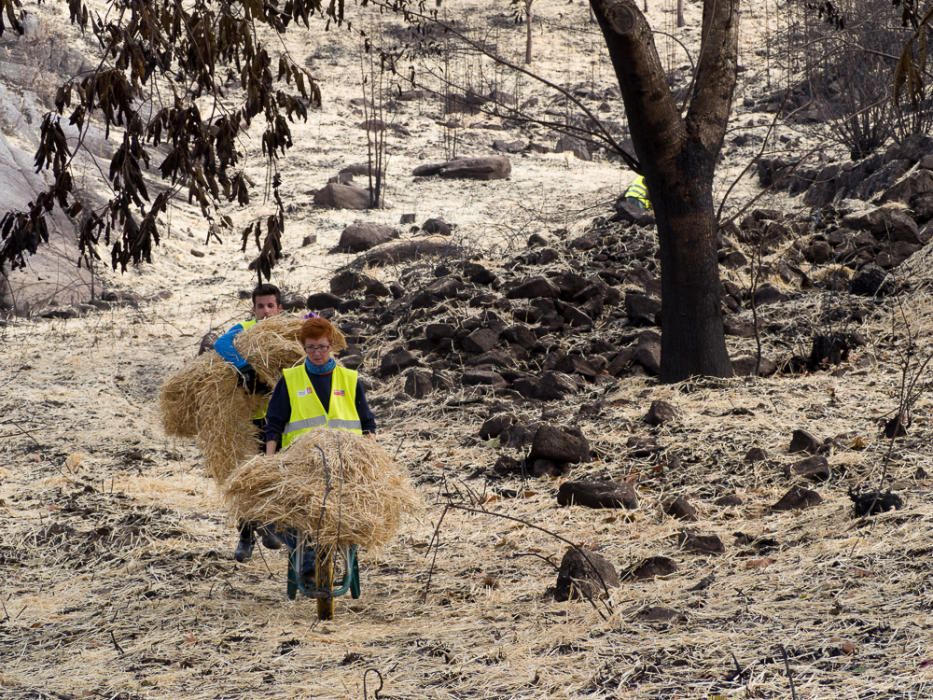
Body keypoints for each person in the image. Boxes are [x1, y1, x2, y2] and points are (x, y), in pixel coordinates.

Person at [262, 316, 377, 585]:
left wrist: (372, 459)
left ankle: (318, 557)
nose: (317, 353)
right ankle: (307, 554)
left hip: (344, 463)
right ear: (303, 347)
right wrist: (269, 461)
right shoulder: (290, 380)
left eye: (323, 347)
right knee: (273, 516)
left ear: (332, 346)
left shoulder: (349, 379)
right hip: (301, 463)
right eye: (311, 347)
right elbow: (274, 423)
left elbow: (367, 421)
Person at [214, 282, 286, 563]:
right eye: (260, 306)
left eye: (271, 306)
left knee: (276, 473)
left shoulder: (288, 331)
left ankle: (270, 525)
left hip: (284, 418)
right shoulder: (244, 329)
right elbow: (221, 344)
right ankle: (246, 534)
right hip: (252, 418)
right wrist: (246, 368)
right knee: (247, 476)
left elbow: (316, 333)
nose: (265, 312)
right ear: (253, 309)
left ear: (279, 308)